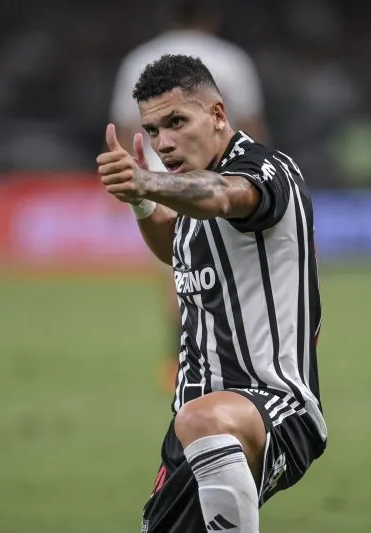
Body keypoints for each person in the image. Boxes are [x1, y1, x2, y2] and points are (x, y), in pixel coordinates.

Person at [96, 54, 370, 533]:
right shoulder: (186, 191)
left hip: (274, 405)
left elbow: (224, 197)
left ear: (218, 114)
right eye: (153, 130)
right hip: (198, 422)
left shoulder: (265, 169)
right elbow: (176, 241)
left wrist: (150, 183)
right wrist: (143, 203)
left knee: (202, 420)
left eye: (177, 122)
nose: (164, 142)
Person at [109, 0, 269, 391]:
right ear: (210, 17)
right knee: (210, 271)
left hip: (166, 179)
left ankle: (184, 361)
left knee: (182, 274)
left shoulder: (138, 60)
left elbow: (124, 129)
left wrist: (131, 179)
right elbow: (250, 126)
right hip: (226, 176)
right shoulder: (232, 60)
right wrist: (261, 172)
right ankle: (219, 360)